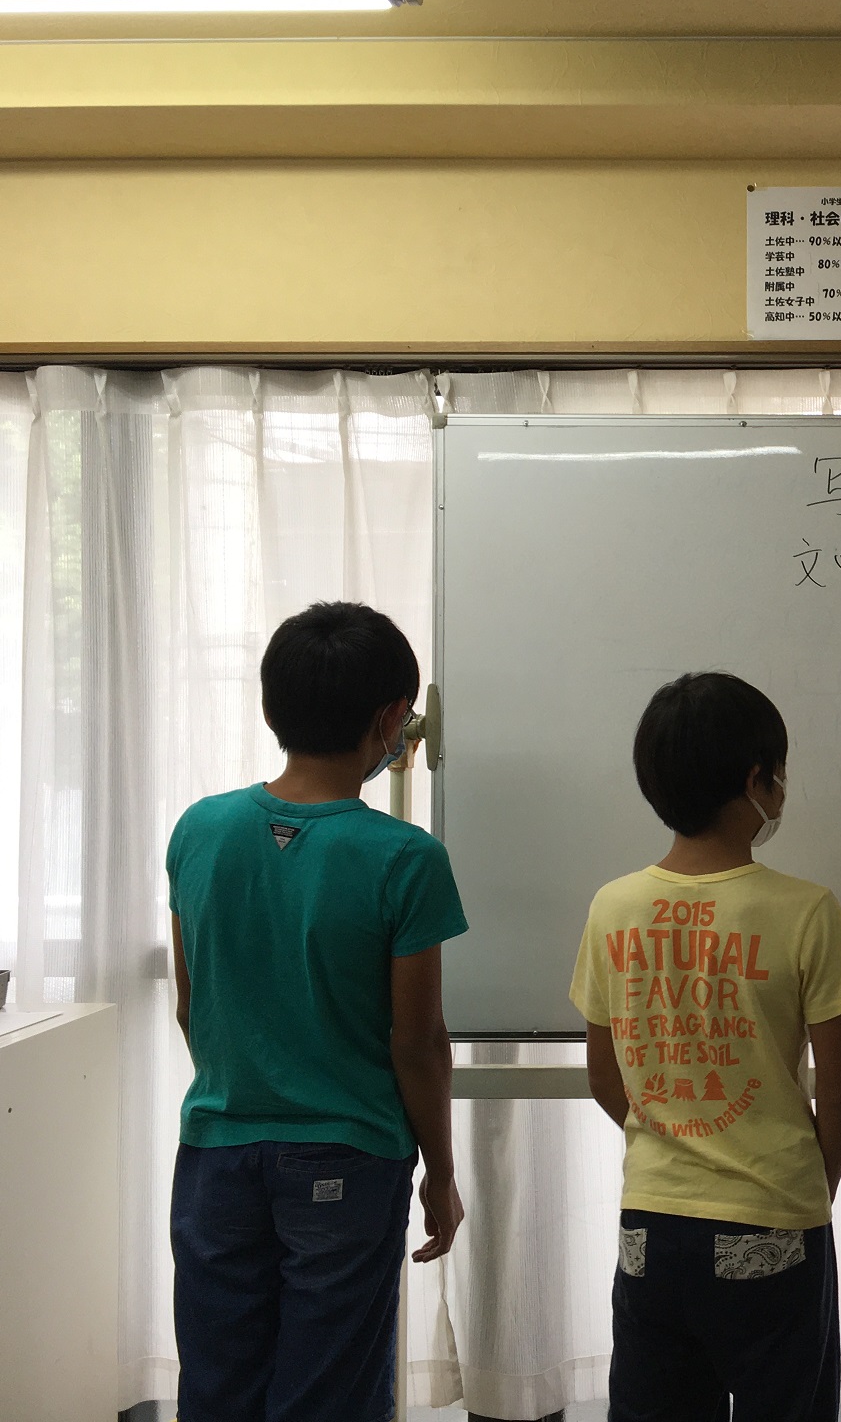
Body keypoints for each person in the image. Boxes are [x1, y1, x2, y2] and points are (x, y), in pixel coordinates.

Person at [168, 600, 466, 1422]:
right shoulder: (406, 858)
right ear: (392, 720)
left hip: (216, 1155)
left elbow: (193, 1006)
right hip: (350, 1159)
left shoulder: (199, 830)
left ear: (274, 709)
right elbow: (417, 1044)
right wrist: (441, 1175)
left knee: (219, 1387)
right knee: (328, 1396)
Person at [572, 671, 841, 1422]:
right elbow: (840, 1088)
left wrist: (671, 1132)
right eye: (779, 774)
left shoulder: (614, 907)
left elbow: (604, 1075)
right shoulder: (806, 910)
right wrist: (808, 1189)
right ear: (754, 781)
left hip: (650, 1226)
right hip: (774, 1220)